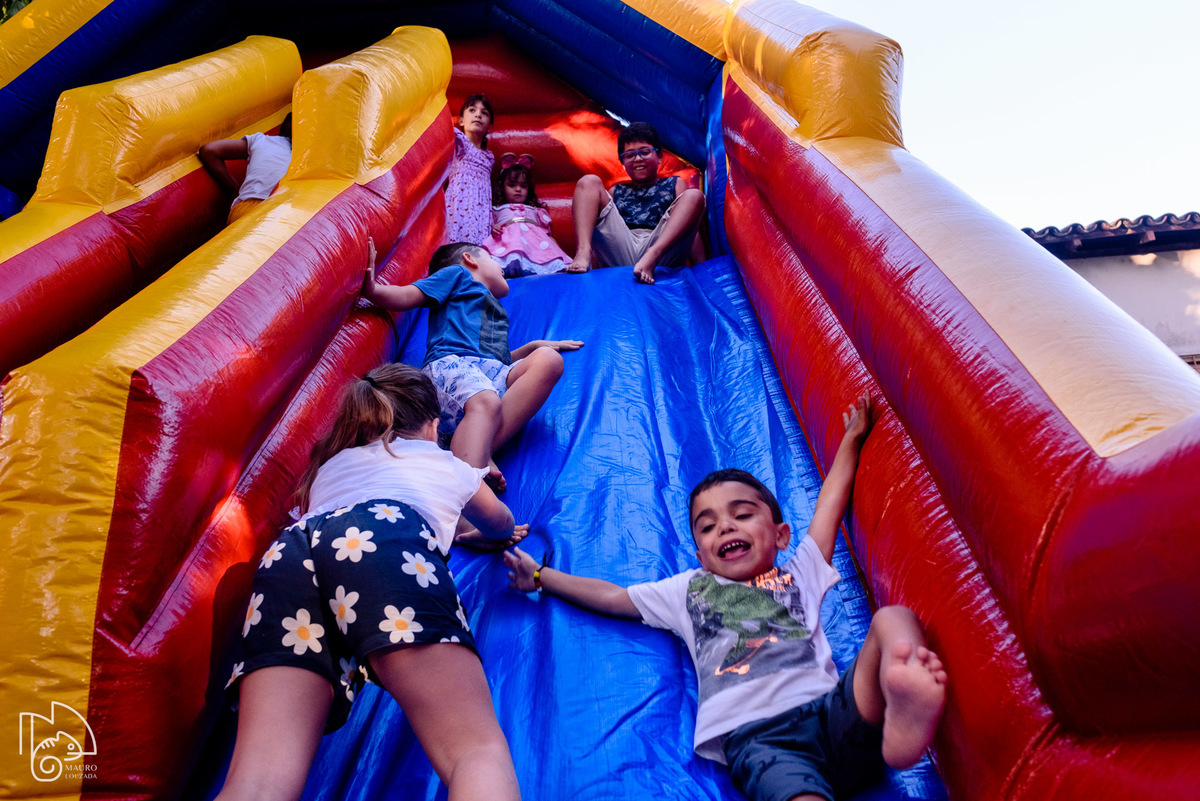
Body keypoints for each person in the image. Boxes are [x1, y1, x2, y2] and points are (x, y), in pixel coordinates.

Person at [504, 396, 948, 801]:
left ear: (780, 535)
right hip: (762, 738)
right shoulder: (688, 589)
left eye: (742, 514)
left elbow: (828, 507)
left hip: (832, 711)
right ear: (700, 555)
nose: (726, 527)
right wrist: (541, 576)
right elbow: (614, 596)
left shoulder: (801, 573)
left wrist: (851, 440)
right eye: (708, 525)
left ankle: (902, 703)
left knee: (893, 618)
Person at [218, 364, 525, 801]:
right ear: (433, 426)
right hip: (381, 539)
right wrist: (479, 532)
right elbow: (500, 522)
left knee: (260, 783)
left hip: (290, 553)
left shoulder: (329, 466)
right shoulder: (444, 461)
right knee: (475, 751)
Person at [361, 238, 582, 493]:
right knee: (487, 400)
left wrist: (533, 347)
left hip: (487, 378)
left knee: (549, 360)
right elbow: (408, 294)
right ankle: (467, 487)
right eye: (493, 259)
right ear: (469, 259)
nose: (501, 267)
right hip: (452, 365)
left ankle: (480, 447)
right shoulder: (457, 275)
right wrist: (373, 290)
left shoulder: (496, 310)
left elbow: (497, 361)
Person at [565, 121, 706, 285]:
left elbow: (689, 229)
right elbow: (606, 236)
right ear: (623, 162)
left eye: (645, 152)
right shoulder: (616, 191)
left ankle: (651, 256)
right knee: (589, 181)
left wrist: (702, 268)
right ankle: (583, 252)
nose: (638, 159)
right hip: (623, 250)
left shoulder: (674, 184)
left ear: (659, 157)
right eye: (630, 155)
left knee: (694, 195)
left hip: (660, 252)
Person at [483, 153, 571, 277]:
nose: (518, 189)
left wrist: (559, 253)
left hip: (535, 247)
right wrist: (494, 228)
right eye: (512, 185)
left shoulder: (536, 211)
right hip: (507, 245)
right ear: (502, 187)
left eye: (523, 186)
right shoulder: (496, 209)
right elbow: (489, 226)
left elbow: (547, 236)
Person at [199, 113, 293, 225]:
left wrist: (234, 190)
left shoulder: (262, 140)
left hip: (243, 209)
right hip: (279, 211)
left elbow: (209, 150)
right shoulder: (305, 155)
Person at [445, 93, 495, 245]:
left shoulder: (489, 157)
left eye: (484, 113)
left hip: (481, 214)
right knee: (457, 245)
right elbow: (446, 127)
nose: (478, 115)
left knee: (478, 248)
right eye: (472, 110)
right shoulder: (460, 144)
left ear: (489, 126)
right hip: (459, 209)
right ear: (461, 120)